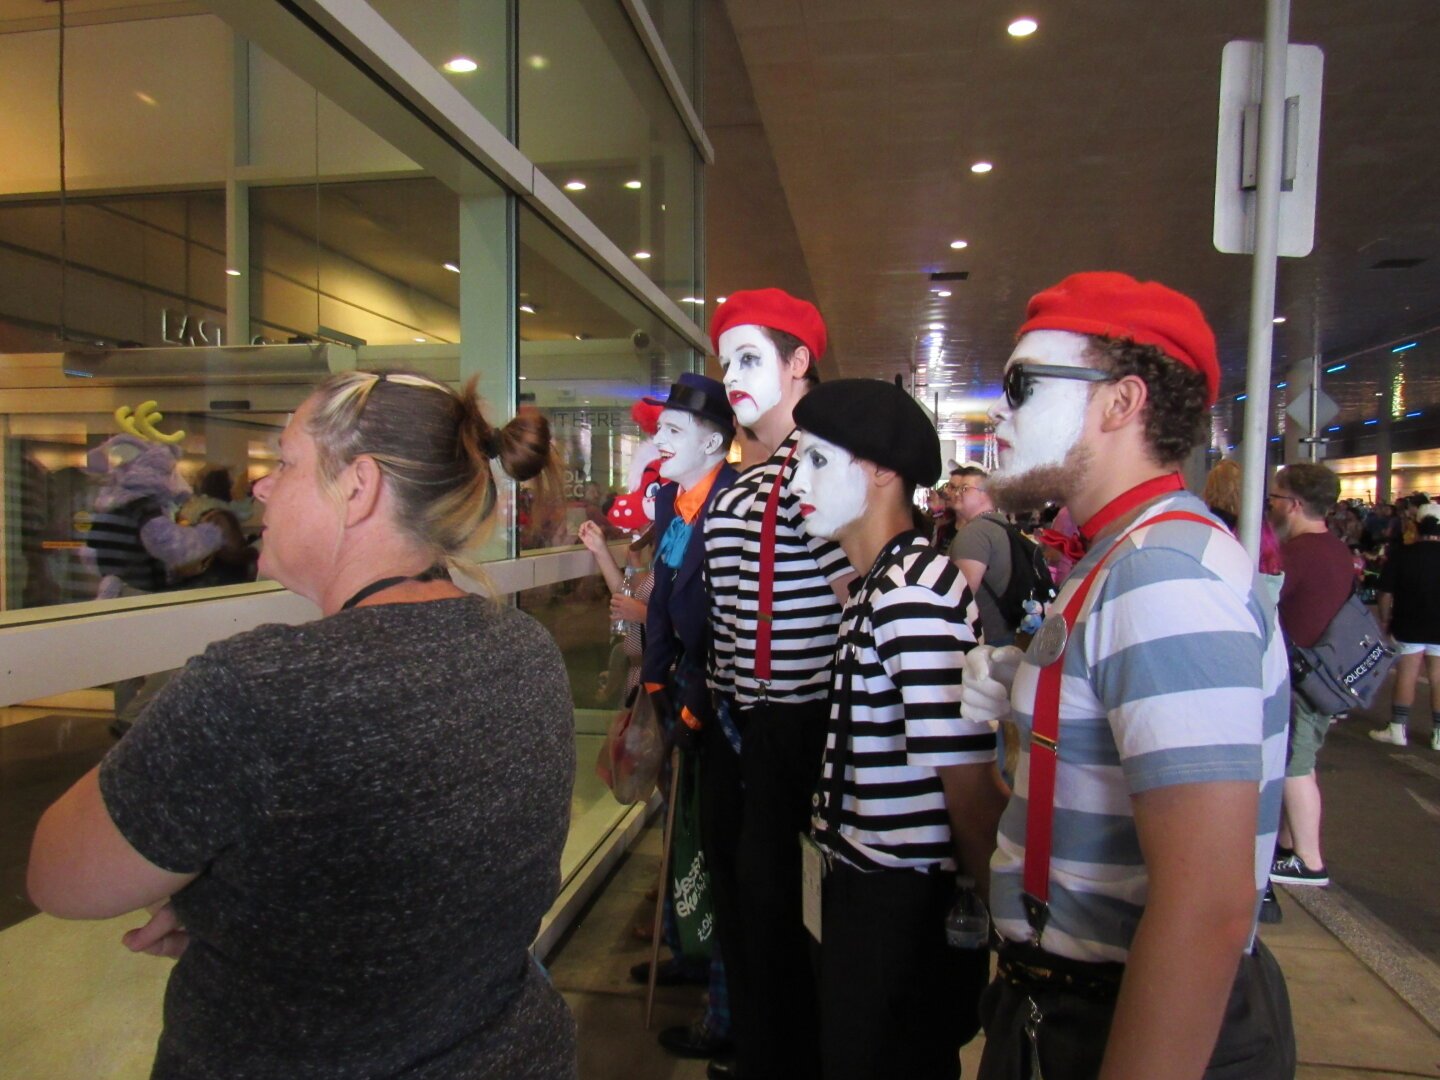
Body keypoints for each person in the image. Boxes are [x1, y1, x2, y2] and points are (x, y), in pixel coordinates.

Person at [28, 369, 578, 1080]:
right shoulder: (526, 652)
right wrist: (244, 905)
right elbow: (438, 889)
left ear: (359, 485)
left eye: (286, 462)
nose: (261, 487)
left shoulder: (260, 690)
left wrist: (208, 892)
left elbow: (58, 877)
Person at [962, 272, 1293, 1080]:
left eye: (1021, 387)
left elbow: (1207, 907)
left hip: (1117, 1020)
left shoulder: (1162, 575)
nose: (999, 414)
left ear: (1120, 403)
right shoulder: (1121, 557)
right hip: (1068, 1009)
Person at [791, 379, 1003, 1080]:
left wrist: (998, 922)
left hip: (898, 908)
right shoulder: (881, 584)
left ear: (883, 472)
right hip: (864, 893)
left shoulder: (910, 591)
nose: (796, 480)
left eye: (817, 461)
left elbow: (966, 782)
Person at [704, 287, 854, 1080]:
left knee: (778, 915)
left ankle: (784, 1058)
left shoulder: (813, 469)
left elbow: (850, 597)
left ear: (800, 364)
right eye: (727, 360)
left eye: (751, 357)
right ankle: (762, 1048)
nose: (733, 376)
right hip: (742, 727)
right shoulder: (750, 474)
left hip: (792, 728)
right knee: (746, 908)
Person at [632, 373, 742, 1061]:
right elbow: (665, 593)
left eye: (672, 431)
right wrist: (653, 675)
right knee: (686, 842)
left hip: (719, 708)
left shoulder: (733, 505)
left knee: (725, 855)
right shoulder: (674, 500)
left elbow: (727, 616)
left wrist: (697, 698)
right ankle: (690, 950)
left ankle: (726, 1015)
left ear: (712, 441)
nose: (657, 442)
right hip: (673, 694)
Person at [1267, 462, 1353, 888]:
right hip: (1325, 678)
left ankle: (1309, 858)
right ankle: (1286, 847)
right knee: (1302, 761)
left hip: (1300, 679)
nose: (1271, 506)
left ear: (1295, 504)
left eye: (1275, 498)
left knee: (1295, 766)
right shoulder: (1338, 551)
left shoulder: (1296, 555)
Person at [1370, 502, 1440, 749]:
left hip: (1408, 622)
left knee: (1407, 674)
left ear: (1418, 526)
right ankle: (1439, 734)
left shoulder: (1402, 554)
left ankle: (1398, 729)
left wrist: (1386, 618)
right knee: (1438, 676)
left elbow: (1385, 592)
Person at [948, 465, 1022, 646]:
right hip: (1004, 628)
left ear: (986, 493)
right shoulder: (1000, 524)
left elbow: (960, 596)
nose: (957, 493)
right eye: (957, 488)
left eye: (965, 488)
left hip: (983, 636)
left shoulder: (975, 533)